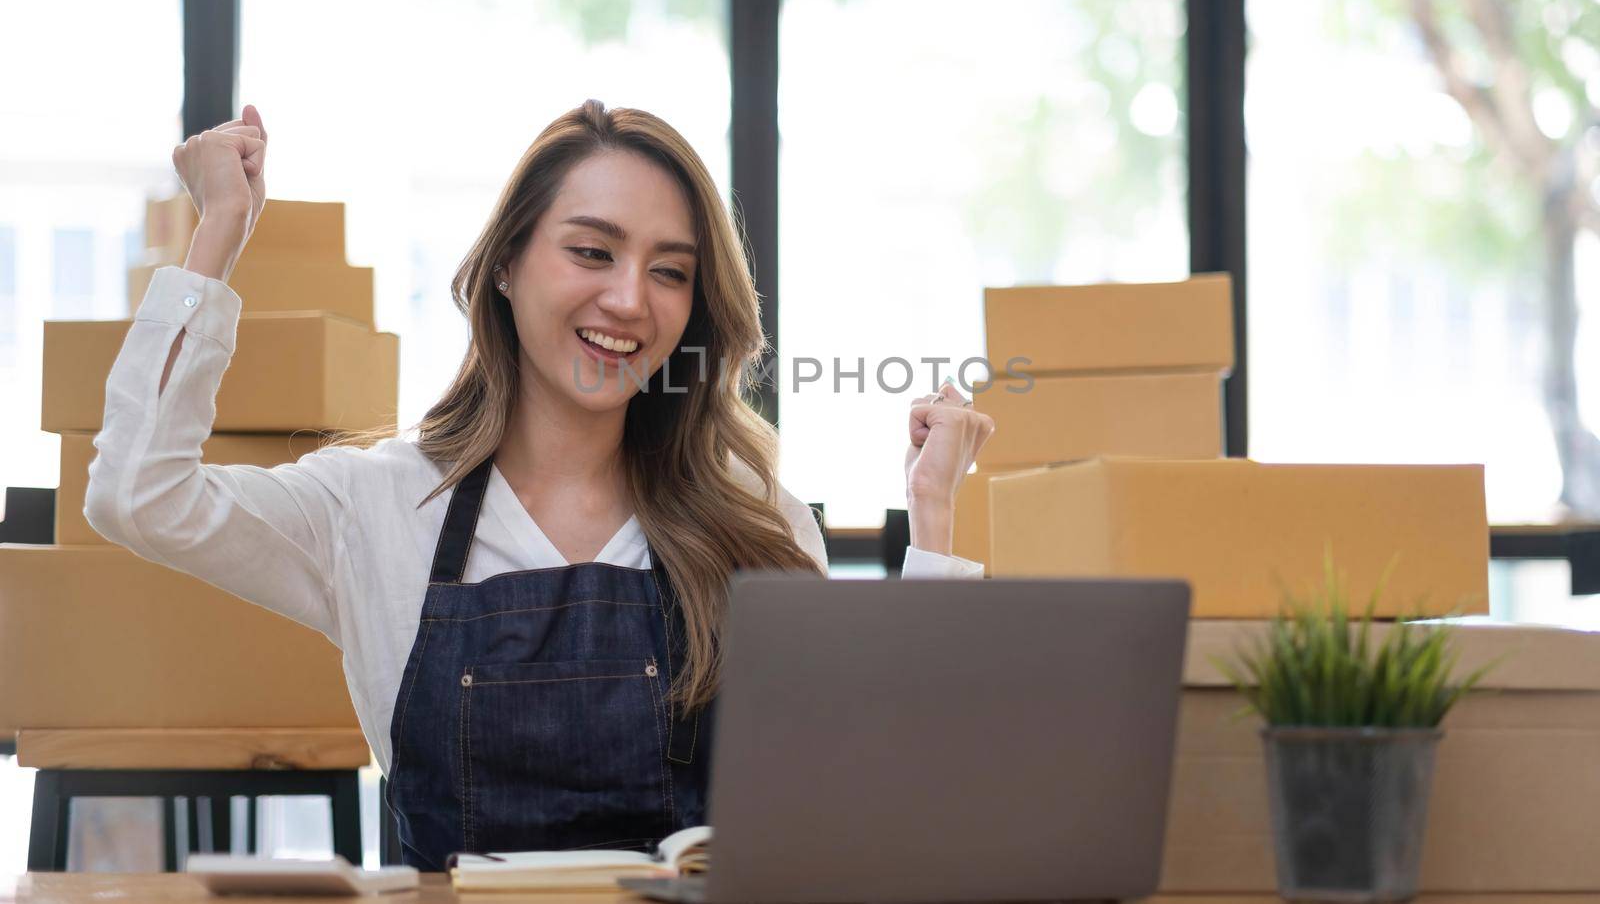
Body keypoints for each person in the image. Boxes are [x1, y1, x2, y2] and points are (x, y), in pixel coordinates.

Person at [84, 100, 995, 870]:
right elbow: (138, 494)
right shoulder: (378, 507)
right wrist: (218, 231)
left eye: (671, 272)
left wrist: (933, 517)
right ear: (508, 266)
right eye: (593, 252)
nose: (632, 300)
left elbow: (869, 794)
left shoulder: (756, 521)